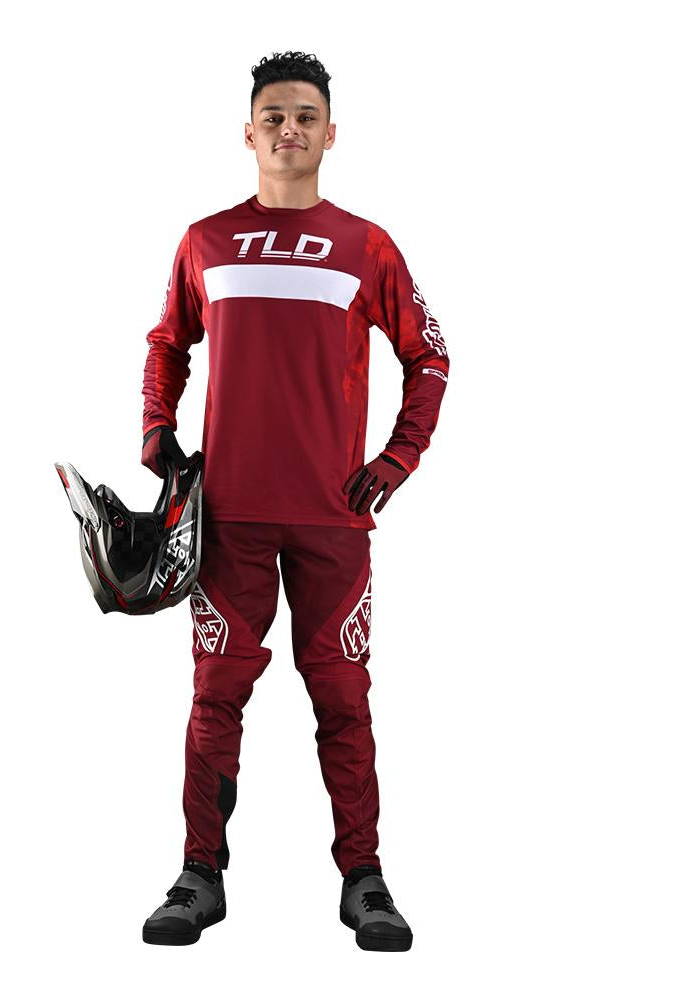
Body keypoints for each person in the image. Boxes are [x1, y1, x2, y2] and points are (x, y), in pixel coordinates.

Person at [139, 50, 449, 952]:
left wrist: (398, 457)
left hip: (332, 520)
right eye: (273, 116)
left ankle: (365, 880)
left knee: (343, 699)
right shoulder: (204, 240)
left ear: (331, 134)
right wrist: (156, 428)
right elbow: (166, 343)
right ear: (248, 133)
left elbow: (430, 355)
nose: (289, 129)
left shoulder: (366, 245)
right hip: (227, 520)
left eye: (305, 116)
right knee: (215, 695)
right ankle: (199, 876)